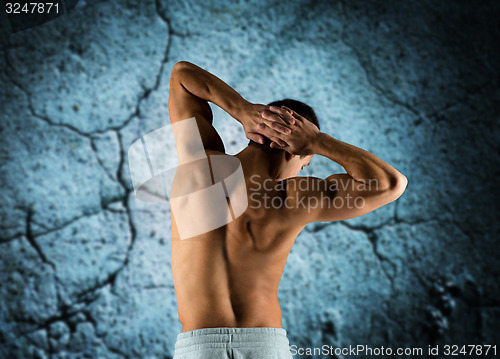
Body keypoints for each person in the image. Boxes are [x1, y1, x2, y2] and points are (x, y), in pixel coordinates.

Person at [168, 61, 407, 359]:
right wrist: (319, 142)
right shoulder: (296, 198)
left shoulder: (199, 168)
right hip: (265, 345)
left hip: (200, 347)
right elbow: (390, 184)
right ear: (297, 153)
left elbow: (182, 76)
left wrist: (242, 110)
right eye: (306, 161)